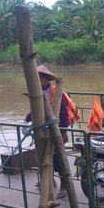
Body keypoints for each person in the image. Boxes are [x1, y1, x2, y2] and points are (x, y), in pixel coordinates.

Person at [24, 65, 70, 199]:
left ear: (44, 79)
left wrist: (63, 131)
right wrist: (26, 121)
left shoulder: (55, 91)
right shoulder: (36, 92)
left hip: (56, 129)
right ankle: (49, 180)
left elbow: (63, 112)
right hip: (42, 130)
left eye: (37, 78)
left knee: (58, 158)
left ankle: (64, 185)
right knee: (42, 156)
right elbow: (35, 110)